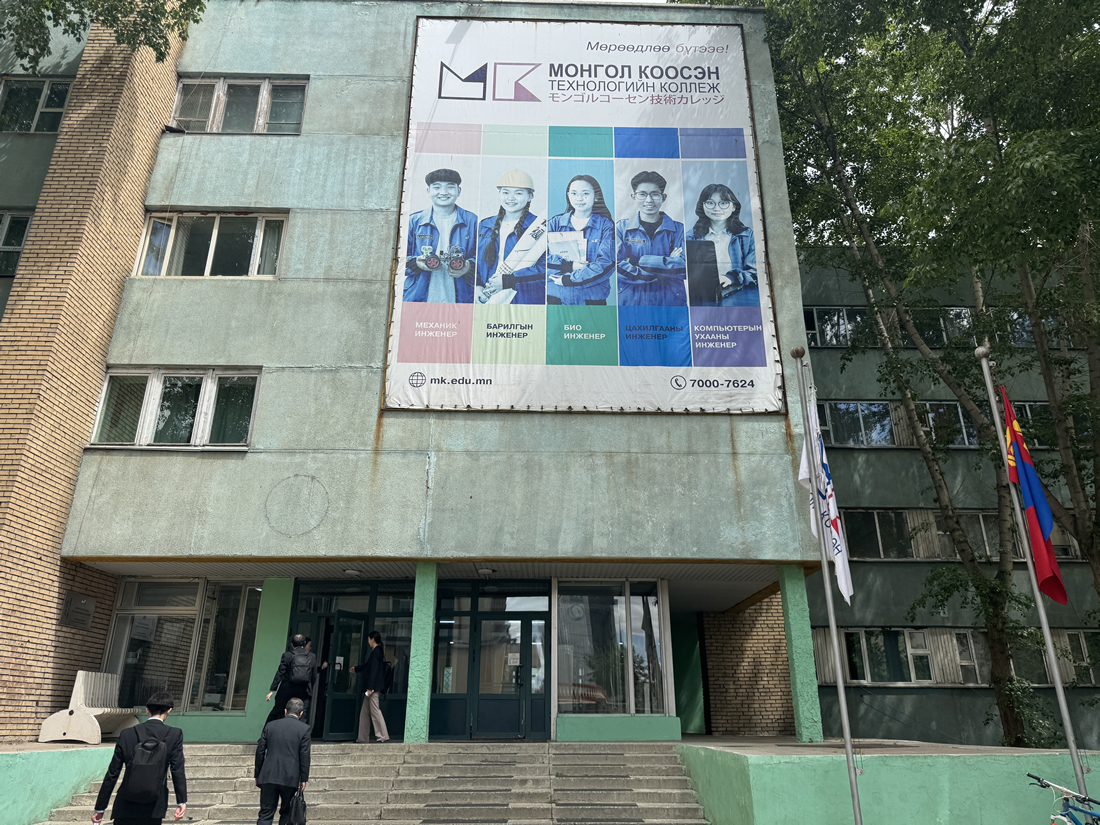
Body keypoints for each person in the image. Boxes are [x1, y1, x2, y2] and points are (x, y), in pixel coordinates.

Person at [92, 691, 186, 825]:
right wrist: (181, 801)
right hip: (154, 806)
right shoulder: (174, 734)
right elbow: (177, 769)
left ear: (147, 710)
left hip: (125, 804)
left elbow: (112, 773)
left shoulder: (127, 734)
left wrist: (100, 807)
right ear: (169, 711)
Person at [404, 168, 478, 303]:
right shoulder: (414, 221)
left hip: (462, 297)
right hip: (417, 296)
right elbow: (398, 260)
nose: (443, 192)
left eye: (450, 187)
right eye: (437, 187)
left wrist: (468, 266)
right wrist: (415, 263)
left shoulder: (472, 221)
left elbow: (484, 260)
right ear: (428, 191)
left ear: (459, 191)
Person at [615, 171, 687, 307]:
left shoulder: (679, 230)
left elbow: (685, 268)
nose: (648, 200)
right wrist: (665, 268)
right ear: (633, 196)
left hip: (671, 302)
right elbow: (615, 267)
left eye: (654, 194)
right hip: (631, 301)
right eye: (642, 194)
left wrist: (637, 261)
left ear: (663, 197)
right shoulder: (621, 228)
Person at [476, 170, 547, 305]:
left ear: (530, 196)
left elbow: (545, 268)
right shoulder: (485, 225)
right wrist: (477, 285)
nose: (511, 198)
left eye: (518, 193)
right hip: (489, 298)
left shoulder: (539, 227)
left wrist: (510, 280)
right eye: (506, 192)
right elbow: (476, 262)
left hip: (523, 300)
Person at [546, 174, 615, 305]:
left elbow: (607, 263)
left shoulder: (606, 225)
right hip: (556, 297)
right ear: (568, 195)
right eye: (574, 193)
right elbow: (539, 259)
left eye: (585, 194)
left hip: (592, 300)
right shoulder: (554, 223)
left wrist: (569, 280)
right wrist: (569, 265)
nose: (579, 198)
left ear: (596, 196)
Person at [686, 183, 758, 307]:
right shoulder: (691, 236)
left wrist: (731, 278)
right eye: (710, 203)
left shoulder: (747, 235)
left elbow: (756, 271)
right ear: (702, 206)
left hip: (739, 297)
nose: (717, 208)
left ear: (734, 207)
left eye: (724, 203)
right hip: (702, 299)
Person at [254, 697, 311, 825]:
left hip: (268, 775)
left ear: (285, 711)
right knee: (287, 813)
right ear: (301, 713)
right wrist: (303, 778)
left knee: (265, 813)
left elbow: (260, 751)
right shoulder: (304, 729)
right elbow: (304, 755)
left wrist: (258, 774)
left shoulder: (270, 725)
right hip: (290, 776)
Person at [265, 634, 324, 726]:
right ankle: (301, 734)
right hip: (303, 691)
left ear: (292, 644)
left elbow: (280, 673)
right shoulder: (312, 656)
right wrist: (309, 688)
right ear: (304, 643)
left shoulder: (287, 655)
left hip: (286, 689)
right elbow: (313, 675)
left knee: (277, 711)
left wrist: (272, 689)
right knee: (302, 715)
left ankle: (266, 732)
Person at [350, 630, 390, 743]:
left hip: (373, 688)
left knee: (375, 711)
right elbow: (368, 666)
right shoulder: (376, 652)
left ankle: (383, 735)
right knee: (364, 713)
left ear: (372, 640)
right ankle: (362, 738)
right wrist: (356, 669)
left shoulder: (377, 652)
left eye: (368, 639)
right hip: (373, 687)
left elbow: (374, 670)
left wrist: (370, 687)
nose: (368, 642)